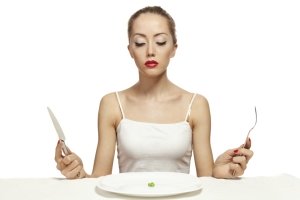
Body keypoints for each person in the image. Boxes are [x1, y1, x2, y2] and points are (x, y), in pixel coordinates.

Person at [55, 6, 253, 179]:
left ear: (174, 48)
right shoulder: (112, 103)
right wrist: (78, 173)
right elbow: (100, 180)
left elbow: (205, 181)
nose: (150, 51)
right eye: (140, 43)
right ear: (130, 50)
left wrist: (219, 173)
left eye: (160, 42)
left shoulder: (197, 104)